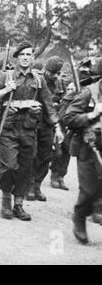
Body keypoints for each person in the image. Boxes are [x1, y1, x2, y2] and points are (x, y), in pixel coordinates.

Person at [0, 41, 60, 221]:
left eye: (29, 55)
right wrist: (4, 91)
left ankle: (18, 205)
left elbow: (48, 105)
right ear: (17, 58)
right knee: (9, 166)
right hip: (8, 128)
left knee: (26, 168)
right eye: (23, 55)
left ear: (33, 58)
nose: (26, 58)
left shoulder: (38, 79)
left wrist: (57, 127)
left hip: (28, 129)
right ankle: (6, 200)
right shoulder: (6, 76)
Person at [62, 58, 102, 244]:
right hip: (89, 146)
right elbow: (68, 117)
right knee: (88, 189)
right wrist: (91, 115)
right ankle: (79, 217)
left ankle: (95, 209)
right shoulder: (88, 93)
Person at [27, 56, 65, 201]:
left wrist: (58, 115)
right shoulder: (37, 80)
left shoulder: (59, 83)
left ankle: (37, 185)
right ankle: (29, 186)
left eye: (57, 73)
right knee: (32, 155)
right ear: (46, 70)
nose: (54, 76)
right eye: (52, 73)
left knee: (46, 156)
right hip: (34, 123)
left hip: (49, 124)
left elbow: (63, 101)